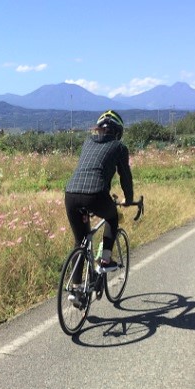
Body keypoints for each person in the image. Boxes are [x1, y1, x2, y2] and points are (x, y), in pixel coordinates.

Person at [64, 110, 134, 302]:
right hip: (95, 194)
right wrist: (128, 198)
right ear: (118, 131)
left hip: (70, 194)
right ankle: (105, 260)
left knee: (80, 242)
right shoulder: (119, 147)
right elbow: (125, 176)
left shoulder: (87, 142)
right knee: (112, 217)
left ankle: (76, 289)